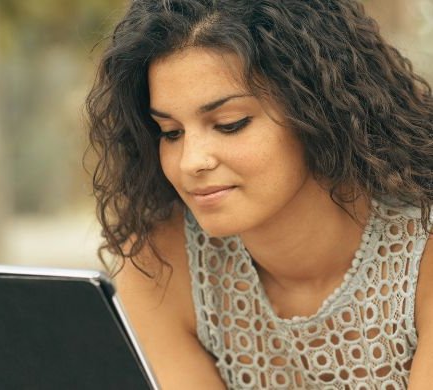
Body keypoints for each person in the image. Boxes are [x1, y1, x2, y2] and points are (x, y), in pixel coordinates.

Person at [85, 0, 433, 388]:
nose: (190, 162)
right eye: (171, 132)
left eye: (229, 124)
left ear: (317, 110)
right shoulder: (160, 264)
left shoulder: (424, 251)